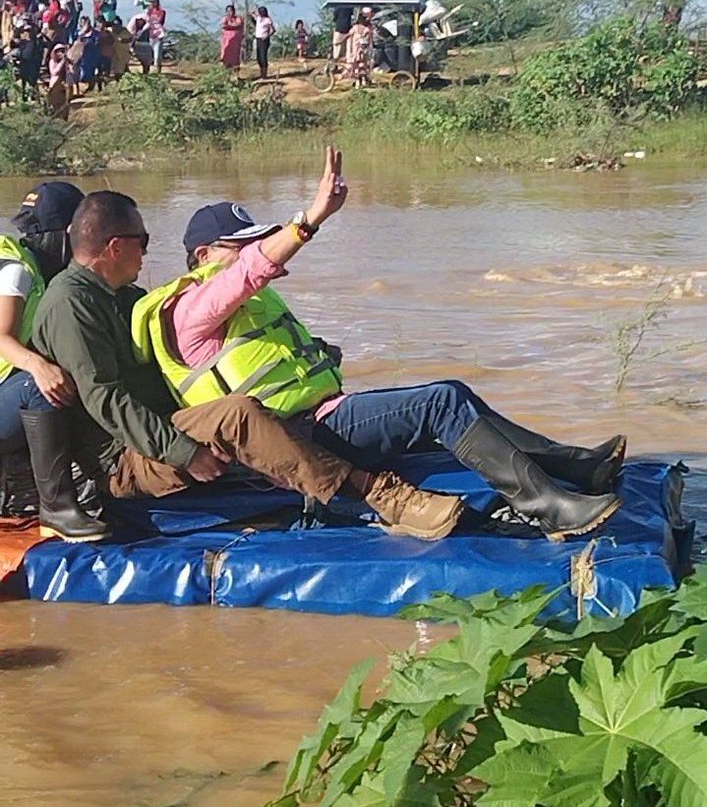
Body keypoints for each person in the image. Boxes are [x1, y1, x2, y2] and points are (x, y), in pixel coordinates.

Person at [133, 149, 623, 542]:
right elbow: (249, 272)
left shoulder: (235, 307)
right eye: (240, 245)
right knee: (441, 403)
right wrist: (309, 219)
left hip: (322, 417)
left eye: (254, 240)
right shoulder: (188, 308)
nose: (253, 252)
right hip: (293, 439)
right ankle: (550, 509)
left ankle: (575, 467)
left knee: (453, 391)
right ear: (202, 256)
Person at [31, 190, 464, 543]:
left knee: (252, 405)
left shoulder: (123, 298)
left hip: (165, 429)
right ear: (115, 246)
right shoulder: (72, 303)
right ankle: (384, 497)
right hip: (124, 459)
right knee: (238, 413)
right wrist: (185, 451)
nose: (146, 252)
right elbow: (105, 398)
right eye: (143, 241)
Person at [0, 181, 108, 541]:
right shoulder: (18, 269)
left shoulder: (45, 272)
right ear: (67, 234)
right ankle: (58, 510)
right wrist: (38, 365)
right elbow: (1, 336)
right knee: (42, 384)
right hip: (13, 388)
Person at [347, 10, 373, 86]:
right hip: (360, 50)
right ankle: (360, 80)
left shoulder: (360, 28)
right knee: (360, 65)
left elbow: (349, 36)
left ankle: (361, 80)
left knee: (360, 65)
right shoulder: (365, 28)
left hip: (361, 50)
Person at [252, 6, 275, 79]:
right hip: (258, 39)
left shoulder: (268, 20)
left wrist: (267, 35)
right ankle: (261, 73)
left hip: (264, 40)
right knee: (259, 57)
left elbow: (273, 30)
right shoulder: (258, 19)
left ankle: (264, 75)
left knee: (263, 57)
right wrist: (255, 10)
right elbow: (251, 13)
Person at [220, 5, 244, 73]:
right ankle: (226, 75)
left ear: (234, 11)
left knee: (235, 57)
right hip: (227, 42)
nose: (230, 12)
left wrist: (229, 26)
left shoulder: (238, 18)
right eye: (228, 11)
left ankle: (236, 75)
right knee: (226, 56)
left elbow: (239, 24)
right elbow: (223, 25)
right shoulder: (225, 18)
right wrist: (233, 26)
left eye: (231, 10)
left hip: (236, 42)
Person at [147, 0, 166, 72]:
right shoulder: (150, 11)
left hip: (158, 34)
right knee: (150, 55)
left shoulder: (162, 12)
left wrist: (152, 21)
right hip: (151, 34)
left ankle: (158, 71)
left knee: (157, 55)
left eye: (153, 2)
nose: (152, 3)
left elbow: (160, 21)